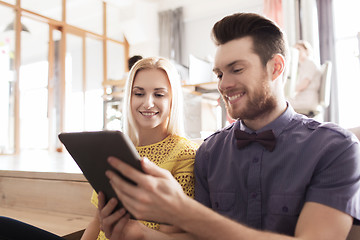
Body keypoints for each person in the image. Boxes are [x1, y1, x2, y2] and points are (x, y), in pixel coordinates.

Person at [98, 12, 360, 240]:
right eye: (220, 74)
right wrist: (137, 233)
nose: (223, 85)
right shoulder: (210, 152)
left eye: (237, 69)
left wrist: (182, 210)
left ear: (276, 67)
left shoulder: (335, 148)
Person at [81, 57, 198, 240]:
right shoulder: (113, 148)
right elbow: (97, 221)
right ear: (129, 97)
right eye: (139, 93)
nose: (148, 103)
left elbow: (180, 234)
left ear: (172, 99)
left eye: (159, 95)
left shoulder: (185, 154)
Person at [288, 40, 322, 113]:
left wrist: (288, 91)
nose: (296, 52)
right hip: (304, 98)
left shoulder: (309, 63)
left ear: (306, 51)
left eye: (298, 49)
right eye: (294, 50)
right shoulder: (303, 66)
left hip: (307, 100)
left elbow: (303, 84)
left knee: (280, 103)